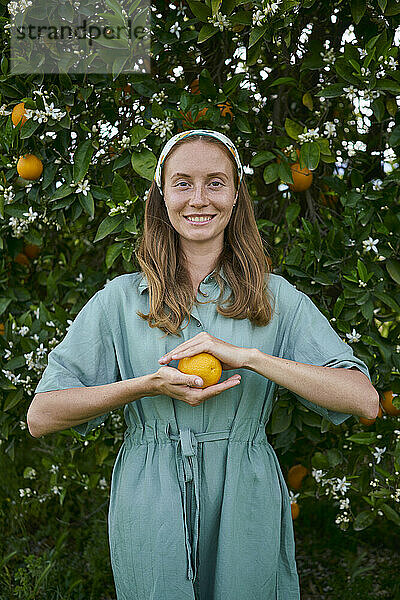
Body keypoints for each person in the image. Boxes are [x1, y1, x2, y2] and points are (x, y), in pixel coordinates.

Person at [27, 129, 379, 600]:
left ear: (235, 197)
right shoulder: (118, 301)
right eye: (183, 183)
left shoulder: (276, 300)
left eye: (215, 183)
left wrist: (251, 357)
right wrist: (145, 386)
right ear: (162, 196)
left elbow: (365, 401)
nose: (199, 199)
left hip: (247, 491)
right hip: (150, 494)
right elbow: (41, 417)